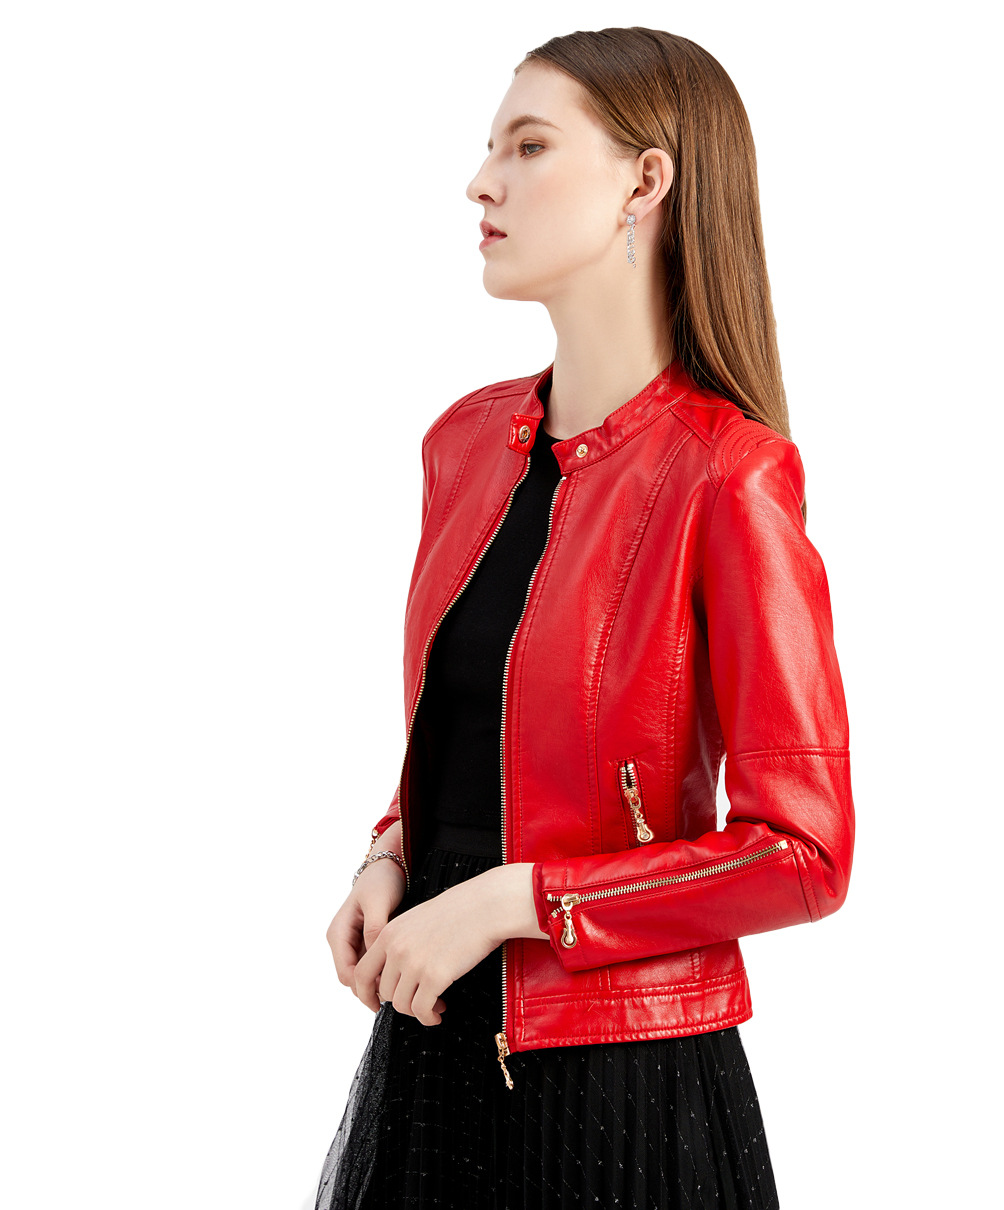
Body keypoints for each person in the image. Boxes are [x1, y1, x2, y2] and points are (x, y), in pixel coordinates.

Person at [314, 26, 855, 1210]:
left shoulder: (729, 476)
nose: (481, 182)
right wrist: (390, 852)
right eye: (489, 148)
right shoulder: (464, 446)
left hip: (620, 1080)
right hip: (432, 1045)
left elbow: (805, 853)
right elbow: (474, 735)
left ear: (644, 182)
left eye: (528, 146)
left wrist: (517, 901)